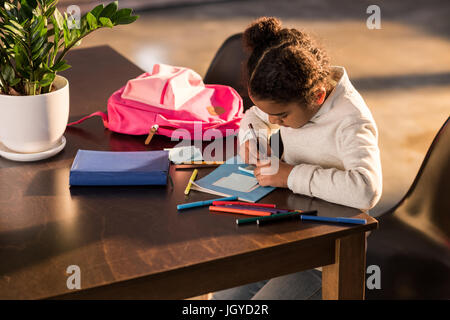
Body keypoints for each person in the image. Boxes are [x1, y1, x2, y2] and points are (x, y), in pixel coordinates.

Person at [211, 16, 382, 300]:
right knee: (223, 296)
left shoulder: (351, 120)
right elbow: (254, 115)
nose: (276, 122)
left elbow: (366, 189)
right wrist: (251, 138)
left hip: (328, 250)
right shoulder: (295, 95)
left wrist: (290, 175)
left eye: (282, 117)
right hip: (287, 232)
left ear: (316, 96)